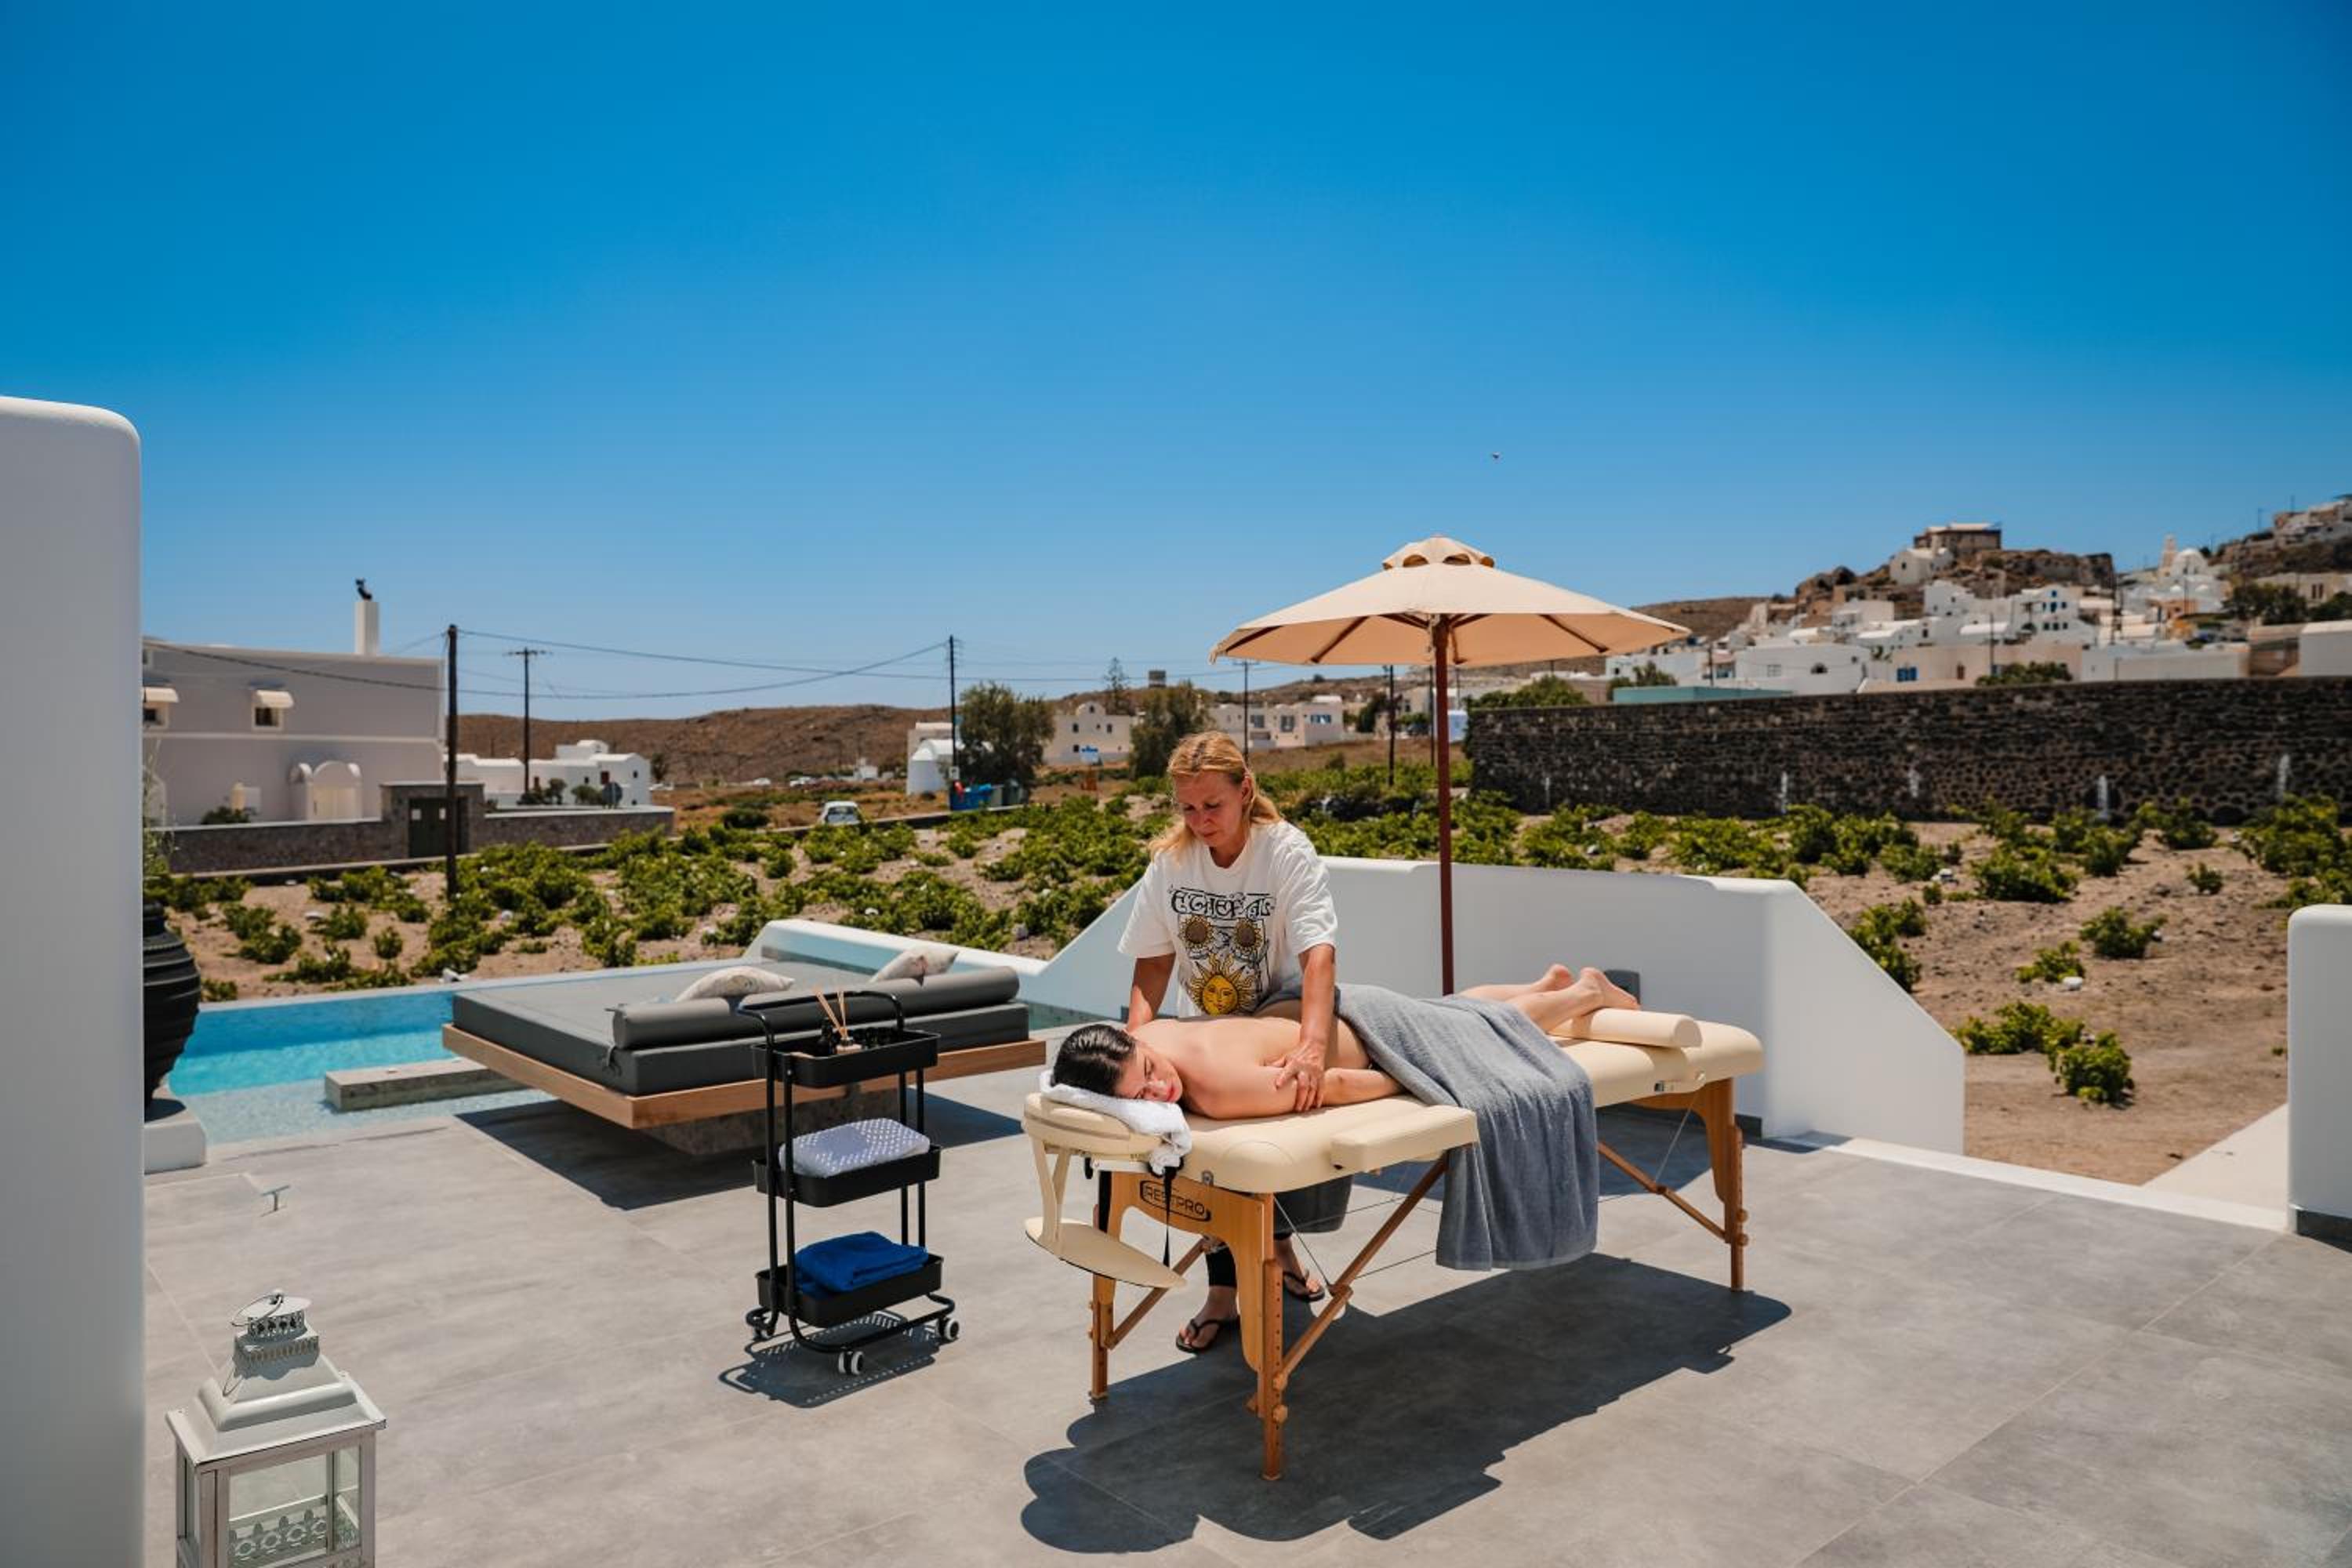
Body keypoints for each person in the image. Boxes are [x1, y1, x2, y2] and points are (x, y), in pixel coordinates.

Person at [1118, 731, 1341, 1353]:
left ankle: (1276, 1253)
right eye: (1187, 807)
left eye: (1212, 805)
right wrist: (1139, 1039)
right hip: (1210, 1024)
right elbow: (1153, 960)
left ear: (1245, 790)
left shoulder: (1285, 851)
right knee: (1203, 1152)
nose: (1200, 820)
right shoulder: (1171, 861)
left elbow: (1318, 951)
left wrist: (1314, 1047)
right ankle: (1227, 1288)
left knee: (1269, 1135)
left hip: (1278, 1011)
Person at [1053, 964, 1640, 1117]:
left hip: (1367, 1034)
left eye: (1150, 1070)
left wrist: (1409, 1078)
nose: (1161, 1087)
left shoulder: (1220, 1091)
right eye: (1141, 1096)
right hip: (1321, 1013)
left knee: (1477, 1035)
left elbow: (1329, 1084)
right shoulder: (1141, 1032)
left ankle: (1583, 993)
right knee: (1448, 1010)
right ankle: (1544, 984)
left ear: (1140, 1047)